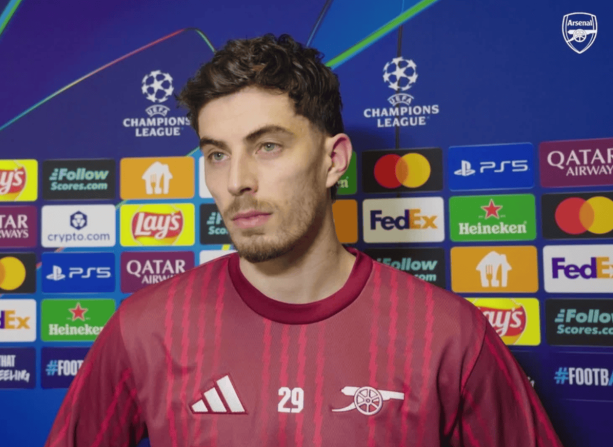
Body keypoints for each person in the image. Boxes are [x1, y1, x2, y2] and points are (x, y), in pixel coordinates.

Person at [45, 34, 563, 447]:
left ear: (333, 161)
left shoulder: (448, 335)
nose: (236, 181)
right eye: (217, 155)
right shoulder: (144, 328)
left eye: (267, 146)